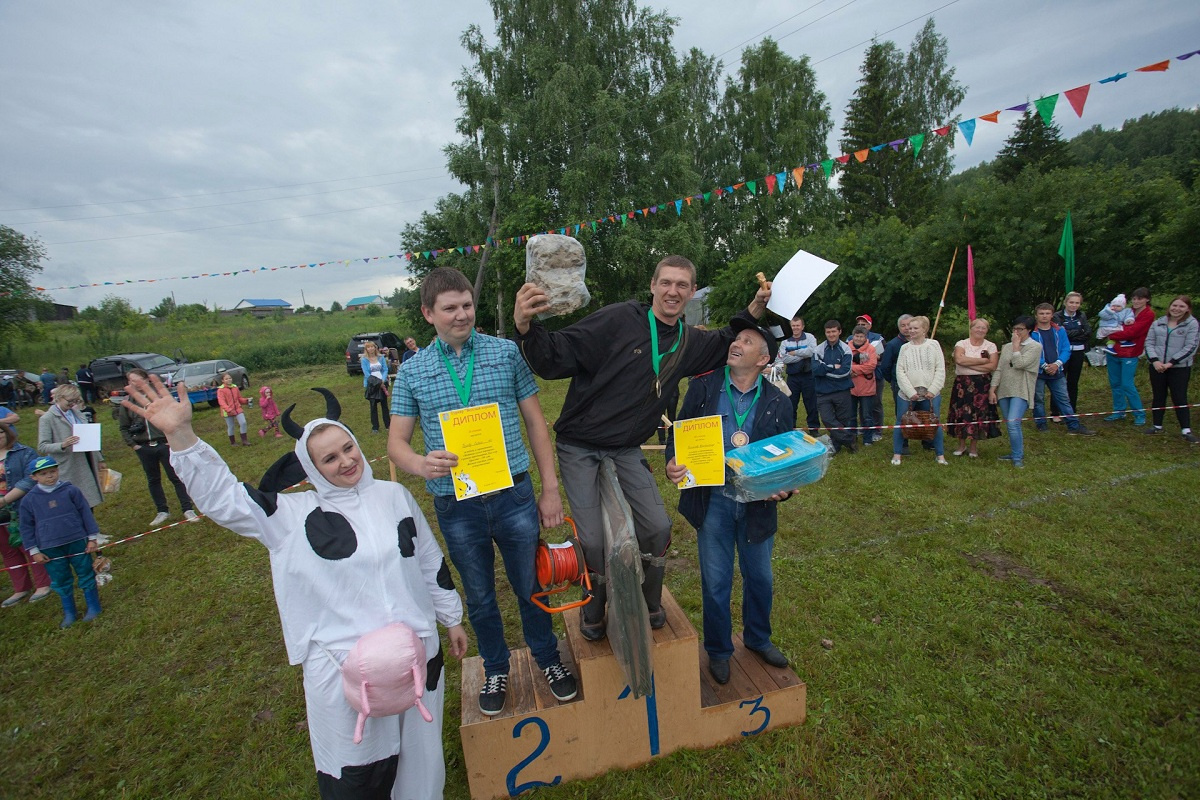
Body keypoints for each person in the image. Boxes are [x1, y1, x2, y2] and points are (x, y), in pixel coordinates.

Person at [125, 375, 467, 799]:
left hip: (416, 656)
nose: (345, 462)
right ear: (309, 468)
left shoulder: (394, 495)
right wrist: (182, 436)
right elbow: (225, 500)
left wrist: (451, 618)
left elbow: (428, 559)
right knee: (358, 770)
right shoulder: (288, 517)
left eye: (348, 448)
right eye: (328, 459)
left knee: (420, 761)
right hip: (343, 667)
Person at [513, 254, 771, 641]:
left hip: (626, 449)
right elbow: (555, 357)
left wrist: (754, 308)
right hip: (579, 446)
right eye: (666, 282)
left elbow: (723, 340)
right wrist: (524, 325)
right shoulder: (617, 320)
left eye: (682, 285)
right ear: (652, 285)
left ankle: (649, 598)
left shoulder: (688, 340)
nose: (673, 291)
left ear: (692, 292)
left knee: (657, 526)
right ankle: (593, 606)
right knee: (595, 539)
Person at [389, 267, 577, 717]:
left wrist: (550, 488)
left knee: (530, 583)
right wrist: (420, 463)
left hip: (512, 493)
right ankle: (495, 666)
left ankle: (547, 658)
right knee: (478, 594)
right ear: (428, 313)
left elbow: (535, 421)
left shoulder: (505, 352)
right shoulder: (412, 372)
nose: (461, 315)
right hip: (457, 504)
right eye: (450, 308)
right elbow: (396, 444)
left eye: (467, 305)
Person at [665, 320, 795, 684]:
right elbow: (680, 434)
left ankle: (757, 639)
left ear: (763, 358)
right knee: (716, 581)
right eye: (736, 338)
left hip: (757, 505)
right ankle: (719, 650)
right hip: (714, 502)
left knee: (760, 578)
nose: (736, 343)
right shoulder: (703, 389)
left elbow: (786, 455)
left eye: (747, 341)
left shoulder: (778, 401)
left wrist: (784, 485)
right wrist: (671, 464)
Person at [20, 455, 103, 628]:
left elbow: (85, 514)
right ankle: (70, 612)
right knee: (60, 578)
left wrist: (92, 538)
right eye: (43, 474)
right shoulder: (29, 500)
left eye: (52, 471)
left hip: (77, 540)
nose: (49, 476)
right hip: (49, 547)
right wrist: (34, 551)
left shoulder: (71, 491)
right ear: (34, 477)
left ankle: (94, 606)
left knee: (85, 571)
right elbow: (26, 527)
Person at [118, 368, 198, 527]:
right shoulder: (129, 403)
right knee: (153, 479)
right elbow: (123, 427)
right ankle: (162, 511)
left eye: (136, 380)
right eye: (130, 381)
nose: (133, 384)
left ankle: (187, 508)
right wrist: (134, 445)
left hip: (165, 444)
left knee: (175, 476)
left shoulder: (161, 398)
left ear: (146, 380)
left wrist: (171, 439)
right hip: (144, 448)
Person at [0, 424, 53, 607]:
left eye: (0, 432)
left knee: (29, 547)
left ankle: (43, 584)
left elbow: (30, 479)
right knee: (8, 551)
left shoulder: (23, 452)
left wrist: (5, 500)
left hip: (20, 508)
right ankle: (20, 588)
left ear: (7, 433)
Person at [1030, 303, 1096, 436]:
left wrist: (1057, 364)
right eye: (1041, 313)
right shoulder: (1032, 333)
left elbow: (1066, 349)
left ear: (1052, 315)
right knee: (1038, 399)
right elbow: (1030, 351)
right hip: (1038, 372)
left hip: (1057, 370)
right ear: (1036, 315)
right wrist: (1044, 365)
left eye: (1047, 313)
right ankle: (1041, 424)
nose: (1044, 316)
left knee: (1063, 398)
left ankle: (1073, 425)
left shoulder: (1060, 330)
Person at [37, 384, 104, 510]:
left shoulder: (77, 413)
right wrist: (62, 444)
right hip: (68, 466)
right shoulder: (47, 418)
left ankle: (90, 528)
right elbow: (42, 446)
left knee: (88, 500)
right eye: (70, 401)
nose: (73, 404)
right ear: (59, 397)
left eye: (76, 401)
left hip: (86, 460)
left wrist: (99, 459)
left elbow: (89, 437)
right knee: (72, 503)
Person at [892, 315, 947, 466]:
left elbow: (940, 369)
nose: (911, 331)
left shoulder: (934, 345)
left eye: (915, 328)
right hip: (907, 394)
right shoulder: (905, 348)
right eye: (910, 328)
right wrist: (910, 392)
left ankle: (940, 455)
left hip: (930, 394)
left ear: (924, 330)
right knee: (901, 422)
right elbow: (900, 371)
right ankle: (897, 454)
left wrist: (933, 389)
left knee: (934, 422)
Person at [1144, 295, 1199, 443]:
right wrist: (1155, 361)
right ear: (1170, 307)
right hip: (1157, 366)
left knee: (1179, 397)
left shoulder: (1192, 324)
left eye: (1181, 306)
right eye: (1174, 305)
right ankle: (1157, 425)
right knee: (1158, 395)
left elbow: (1191, 347)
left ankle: (1186, 430)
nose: (1177, 309)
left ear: (1187, 308)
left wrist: (1171, 363)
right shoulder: (1158, 323)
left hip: (1179, 368)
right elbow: (1149, 342)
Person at [989, 316, 1041, 468]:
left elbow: (1019, 364)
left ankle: (1018, 457)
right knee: (1010, 423)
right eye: (1015, 329)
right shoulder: (1006, 347)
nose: (1017, 332)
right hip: (1005, 389)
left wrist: (1016, 347)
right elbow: (999, 369)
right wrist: (993, 388)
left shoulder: (1035, 347)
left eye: (1020, 329)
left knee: (1013, 422)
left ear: (1029, 330)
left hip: (1021, 389)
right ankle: (1014, 452)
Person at [948, 318, 1000, 458]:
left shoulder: (990, 346)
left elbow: (992, 366)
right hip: (963, 384)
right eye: (978, 327)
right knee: (961, 414)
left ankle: (973, 447)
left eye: (984, 328)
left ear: (987, 331)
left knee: (978, 415)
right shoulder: (961, 343)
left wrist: (968, 363)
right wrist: (983, 361)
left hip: (982, 385)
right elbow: (959, 360)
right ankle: (961, 445)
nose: (980, 330)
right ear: (971, 328)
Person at [1104, 287, 1154, 425]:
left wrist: (1111, 334)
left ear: (1147, 299)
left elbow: (1133, 332)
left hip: (1130, 353)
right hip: (1114, 350)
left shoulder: (1148, 314)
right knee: (1115, 383)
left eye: (1140, 299)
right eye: (1134, 298)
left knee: (1127, 384)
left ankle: (1139, 413)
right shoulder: (1127, 310)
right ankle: (1119, 411)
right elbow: (1111, 321)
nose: (1136, 301)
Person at [812, 320, 856, 454]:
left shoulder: (846, 349)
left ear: (839, 332)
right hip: (823, 392)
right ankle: (850, 440)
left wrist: (824, 369)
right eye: (828, 332)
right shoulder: (818, 349)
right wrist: (832, 367)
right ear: (825, 333)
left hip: (842, 390)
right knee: (827, 419)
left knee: (842, 420)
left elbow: (844, 372)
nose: (831, 334)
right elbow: (815, 370)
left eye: (833, 331)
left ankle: (836, 446)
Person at [776, 315, 819, 436]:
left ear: (802, 326)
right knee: (791, 403)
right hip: (793, 377)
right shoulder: (785, 340)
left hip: (808, 376)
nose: (795, 328)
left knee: (811, 403)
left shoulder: (810, 337)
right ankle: (791, 428)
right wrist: (803, 355)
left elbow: (813, 351)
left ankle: (814, 429)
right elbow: (783, 358)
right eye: (793, 326)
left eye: (797, 325)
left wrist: (795, 353)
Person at [1052, 292, 1092, 417]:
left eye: (1077, 303)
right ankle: (1055, 412)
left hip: (1078, 351)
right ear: (1065, 303)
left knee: (1073, 382)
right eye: (1071, 302)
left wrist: (1073, 333)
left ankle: (1071, 411)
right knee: (1059, 382)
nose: (1074, 305)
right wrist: (1078, 332)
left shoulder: (1082, 315)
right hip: (1063, 352)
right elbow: (1061, 334)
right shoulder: (1057, 316)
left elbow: (1088, 332)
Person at [880, 314, 914, 456]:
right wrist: (894, 381)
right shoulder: (893, 345)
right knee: (903, 414)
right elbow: (885, 367)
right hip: (899, 385)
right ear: (899, 327)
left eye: (909, 325)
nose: (906, 328)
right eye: (903, 325)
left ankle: (927, 439)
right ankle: (904, 444)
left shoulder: (921, 343)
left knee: (924, 411)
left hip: (919, 384)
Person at [854, 314, 887, 443]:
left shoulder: (878, 338)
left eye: (864, 324)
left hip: (875, 375)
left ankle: (877, 429)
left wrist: (871, 357)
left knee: (875, 404)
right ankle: (864, 427)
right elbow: (848, 356)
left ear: (870, 325)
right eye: (859, 324)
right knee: (861, 405)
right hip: (856, 377)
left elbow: (883, 356)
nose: (862, 326)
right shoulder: (851, 338)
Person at [848, 325, 878, 447]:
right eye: (857, 336)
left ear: (865, 337)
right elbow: (844, 364)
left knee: (867, 415)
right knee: (851, 415)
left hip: (867, 387)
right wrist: (855, 369)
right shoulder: (846, 348)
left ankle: (867, 439)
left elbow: (871, 365)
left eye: (861, 336)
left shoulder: (871, 349)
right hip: (851, 387)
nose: (859, 339)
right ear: (853, 336)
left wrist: (855, 369)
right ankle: (852, 437)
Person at [360, 341, 390, 434]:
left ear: (375, 348)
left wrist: (383, 380)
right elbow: (367, 373)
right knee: (373, 406)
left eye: (372, 347)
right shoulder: (364, 360)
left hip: (383, 383)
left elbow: (385, 369)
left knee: (384, 405)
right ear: (366, 349)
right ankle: (375, 427)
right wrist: (377, 382)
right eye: (368, 347)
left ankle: (388, 425)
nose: (371, 349)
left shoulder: (381, 357)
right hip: (372, 384)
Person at [217, 372, 251, 446]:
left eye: (230, 378)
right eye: (226, 379)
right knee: (231, 426)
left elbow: (239, 398)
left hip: (237, 408)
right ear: (223, 380)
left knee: (243, 422)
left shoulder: (235, 387)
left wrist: (246, 400)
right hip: (227, 411)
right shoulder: (220, 390)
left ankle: (244, 440)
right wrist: (229, 409)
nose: (229, 380)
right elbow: (221, 402)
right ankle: (233, 442)